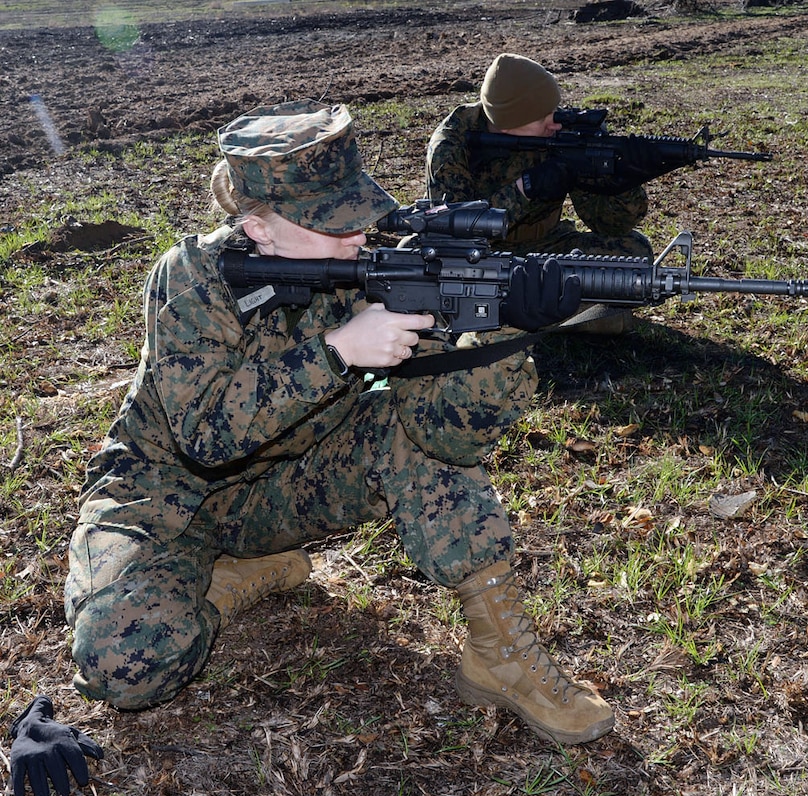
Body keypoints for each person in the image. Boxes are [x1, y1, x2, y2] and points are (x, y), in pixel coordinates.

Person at [63, 99, 614, 748]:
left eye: (359, 213)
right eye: (332, 222)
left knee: (402, 430)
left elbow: (447, 436)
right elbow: (205, 438)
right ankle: (222, 585)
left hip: (277, 494)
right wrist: (339, 352)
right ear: (259, 227)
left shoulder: (381, 273)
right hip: (157, 497)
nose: (357, 233)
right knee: (122, 663)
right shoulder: (191, 279)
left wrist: (502, 328)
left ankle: (499, 655)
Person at [426, 52, 654, 261]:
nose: (555, 123)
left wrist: (620, 179)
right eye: (543, 117)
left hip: (548, 246)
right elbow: (453, 234)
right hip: (479, 255)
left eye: (553, 110)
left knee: (633, 252)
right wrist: (525, 189)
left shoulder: (559, 131)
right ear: (507, 124)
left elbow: (611, 225)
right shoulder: (451, 144)